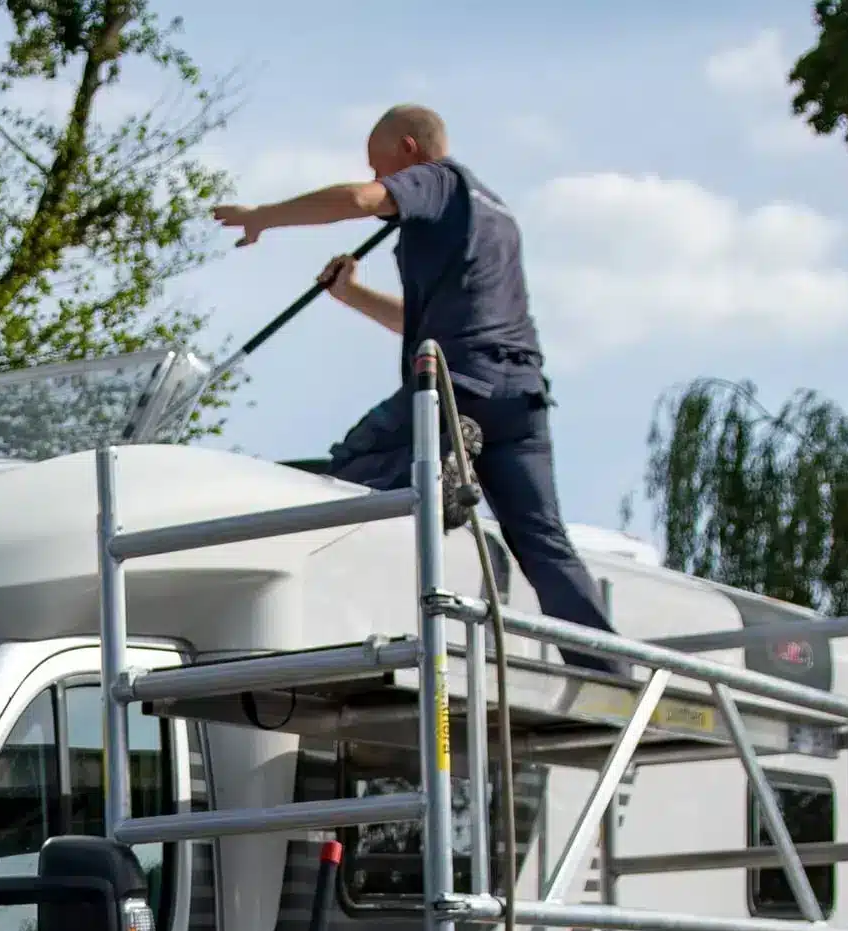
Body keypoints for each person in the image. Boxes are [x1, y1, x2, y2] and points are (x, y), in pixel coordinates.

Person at [212, 104, 617, 669]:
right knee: (543, 543)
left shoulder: (440, 180)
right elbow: (430, 321)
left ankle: (438, 476)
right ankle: (609, 670)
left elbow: (358, 200)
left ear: (408, 149)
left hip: (462, 384)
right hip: (519, 397)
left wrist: (263, 216)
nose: (384, 185)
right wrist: (352, 296)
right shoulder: (493, 212)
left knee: (351, 464)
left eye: (383, 170)